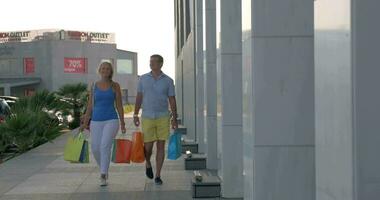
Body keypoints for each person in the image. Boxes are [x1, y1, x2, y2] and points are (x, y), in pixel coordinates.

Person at [133, 54, 178, 185]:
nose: (151, 64)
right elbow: (139, 96)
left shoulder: (168, 81)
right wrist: (135, 114)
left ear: (160, 64)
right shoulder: (143, 79)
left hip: (163, 116)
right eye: (150, 61)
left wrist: (174, 119)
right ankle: (147, 163)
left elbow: (172, 100)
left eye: (153, 62)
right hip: (147, 116)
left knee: (160, 146)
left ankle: (158, 175)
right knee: (148, 147)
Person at [81, 61, 126, 186]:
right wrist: (85, 123)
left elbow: (119, 105)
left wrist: (122, 123)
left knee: (105, 145)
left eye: (107, 69)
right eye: (103, 68)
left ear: (110, 71)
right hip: (96, 121)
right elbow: (90, 105)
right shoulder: (94, 85)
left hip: (111, 120)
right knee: (95, 148)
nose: (105, 70)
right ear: (99, 70)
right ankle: (104, 169)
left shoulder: (115, 85)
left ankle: (102, 175)